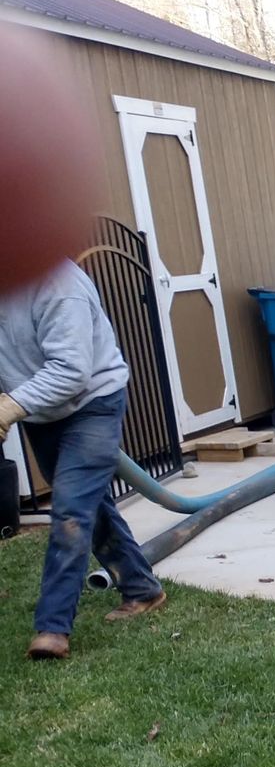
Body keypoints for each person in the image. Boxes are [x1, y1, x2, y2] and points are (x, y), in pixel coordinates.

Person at [0, 260, 166, 660]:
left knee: (72, 510)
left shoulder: (58, 284)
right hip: (39, 412)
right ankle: (143, 589)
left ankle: (52, 628)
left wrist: (10, 406)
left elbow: (71, 371)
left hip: (92, 403)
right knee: (89, 504)